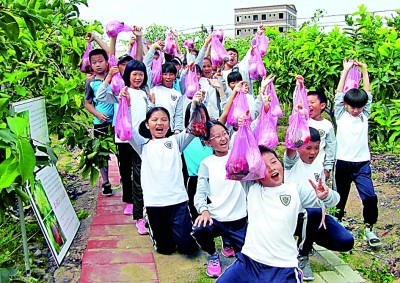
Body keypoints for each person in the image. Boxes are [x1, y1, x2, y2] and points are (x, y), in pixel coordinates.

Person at [217, 146, 340, 283]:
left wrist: (326, 195)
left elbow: (334, 201)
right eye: (263, 166)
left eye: (274, 162)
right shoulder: (252, 188)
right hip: (250, 262)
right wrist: (243, 127)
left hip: (283, 266)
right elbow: (235, 164)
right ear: (255, 175)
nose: (271, 168)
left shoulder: (294, 190)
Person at [126, 101, 200, 255]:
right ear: (147, 125)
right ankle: (158, 232)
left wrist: (195, 105)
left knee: (188, 248)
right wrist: (126, 106)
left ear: (169, 124)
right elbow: (126, 129)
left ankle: (182, 233)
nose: (159, 123)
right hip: (155, 204)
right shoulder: (143, 144)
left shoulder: (176, 141)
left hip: (178, 202)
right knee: (165, 250)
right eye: (154, 120)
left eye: (164, 119)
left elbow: (194, 128)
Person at [285, 126, 354, 281]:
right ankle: (302, 256)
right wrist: (297, 120)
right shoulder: (292, 162)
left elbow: (325, 196)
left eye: (316, 148)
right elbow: (290, 148)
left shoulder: (318, 165)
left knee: (346, 241)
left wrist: (324, 203)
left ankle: (308, 241)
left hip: (315, 218)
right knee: (313, 211)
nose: (313, 152)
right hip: (292, 218)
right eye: (308, 148)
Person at [97, 59, 153, 234]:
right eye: (134, 74)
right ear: (127, 75)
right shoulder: (122, 91)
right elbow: (100, 96)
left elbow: (148, 115)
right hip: (125, 139)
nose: (138, 77)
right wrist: (109, 77)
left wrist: (151, 102)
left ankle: (143, 211)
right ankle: (137, 212)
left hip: (142, 141)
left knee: (141, 177)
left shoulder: (144, 93)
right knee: (129, 173)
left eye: (141, 74)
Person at [334, 59, 381, 247]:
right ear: (346, 105)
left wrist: (365, 70)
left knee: (369, 196)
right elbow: (339, 94)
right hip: (342, 162)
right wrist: (345, 71)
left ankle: (369, 228)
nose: (355, 110)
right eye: (352, 107)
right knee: (340, 197)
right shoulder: (340, 114)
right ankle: (337, 223)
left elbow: (367, 94)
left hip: (362, 163)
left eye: (359, 107)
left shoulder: (364, 115)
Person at [193, 120, 247, 278]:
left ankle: (229, 241)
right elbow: (200, 192)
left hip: (239, 219)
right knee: (199, 229)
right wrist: (203, 211)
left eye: (224, 133)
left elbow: (251, 134)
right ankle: (212, 254)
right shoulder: (207, 163)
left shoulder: (238, 155)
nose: (223, 138)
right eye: (217, 136)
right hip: (216, 218)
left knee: (247, 260)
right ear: (208, 143)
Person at [84, 49, 114, 196]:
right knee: (102, 154)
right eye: (94, 62)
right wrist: (98, 114)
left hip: (116, 123)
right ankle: (106, 182)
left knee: (120, 151)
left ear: (107, 61)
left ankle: (124, 180)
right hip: (100, 123)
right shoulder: (90, 83)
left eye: (100, 61)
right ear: (90, 64)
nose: (97, 65)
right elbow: (87, 103)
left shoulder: (115, 78)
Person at [296, 75, 336, 180]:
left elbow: (331, 147)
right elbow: (297, 104)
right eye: (306, 103)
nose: (308, 105)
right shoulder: (304, 120)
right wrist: (299, 87)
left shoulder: (327, 125)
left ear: (322, 105)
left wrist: (327, 168)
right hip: (301, 164)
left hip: (318, 165)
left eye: (312, 102)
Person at [144, 41, 184, 134]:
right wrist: (152, 49)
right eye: (165, 74)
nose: (168, 77)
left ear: (175, 76)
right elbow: (146, 66)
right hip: (152, 130)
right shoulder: (153, 87)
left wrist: (177, 132)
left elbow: (178, 115)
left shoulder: (177, 95)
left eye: (171, 74)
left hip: (170, 131)